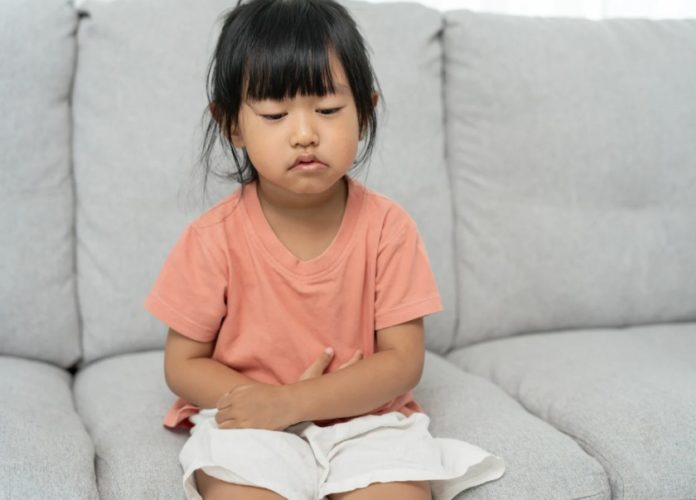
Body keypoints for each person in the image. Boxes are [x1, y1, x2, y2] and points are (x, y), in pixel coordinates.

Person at [144, 1, 506, 499]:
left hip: (365, 418)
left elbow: (403, 362)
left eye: (329, 110)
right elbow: (182, 364)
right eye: (275, 114)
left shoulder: (388, 229)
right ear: (232, 125)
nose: (305, 135)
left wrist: (295, 401)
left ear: (365, 112)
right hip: (250, 421)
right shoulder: (213, 237)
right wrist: (266, 405)